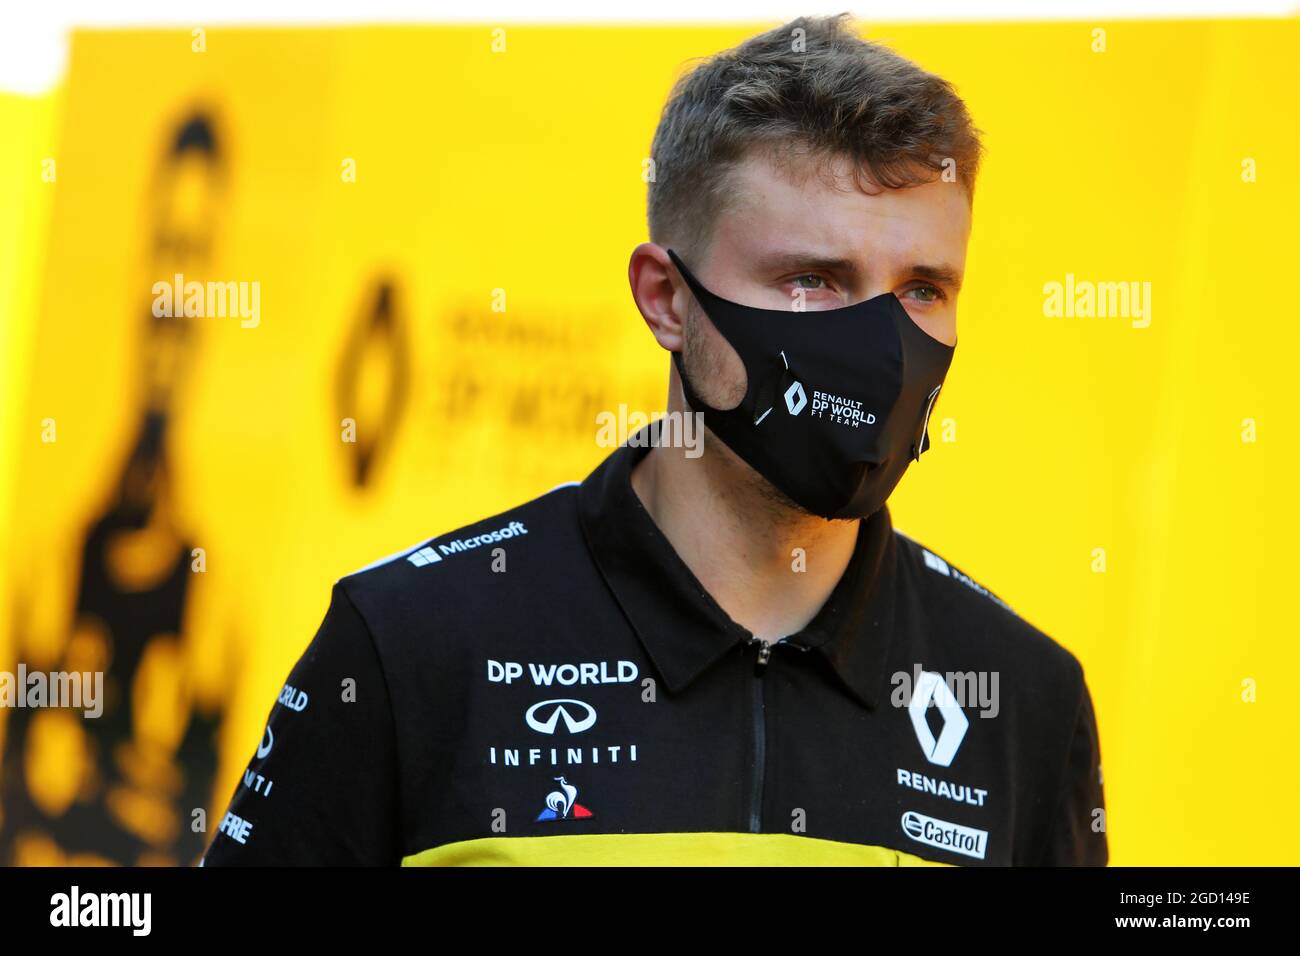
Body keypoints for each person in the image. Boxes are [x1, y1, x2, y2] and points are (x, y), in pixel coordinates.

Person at [202, 12, 1107, 867]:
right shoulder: (408, 646)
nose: (879, 343)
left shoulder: (1024, 698)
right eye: (812, 280)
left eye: (922, 290)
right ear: (666, 300)